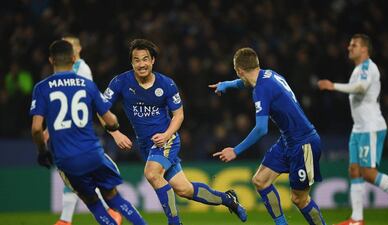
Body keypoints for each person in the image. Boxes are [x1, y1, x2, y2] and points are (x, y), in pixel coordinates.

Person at [101, 38, 247, 225]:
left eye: (145, 59)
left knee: (152, 174)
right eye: (137, 60)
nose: (141, 64)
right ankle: (228, 199)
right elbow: (101, 109)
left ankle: (174, 223)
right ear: (132, 62)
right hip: (146, 145)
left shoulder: (166, 84)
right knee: (184, 190)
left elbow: (179, 115)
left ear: (152, 60)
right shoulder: (120, 82)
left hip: (166, 140)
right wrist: (115, 133)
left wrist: (167, 135)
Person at [30, 40, 147, 225]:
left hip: (67, 159)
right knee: (114, 198)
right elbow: (111, 120)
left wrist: (42, 152)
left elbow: (36, 128)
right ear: (73, 58)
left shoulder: (42, 88)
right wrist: (114, 128)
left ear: (51, 60)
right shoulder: (87, 85)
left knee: (93, 203)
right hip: (92, 153)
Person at [211, 47, 326, 225]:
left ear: (239, 70)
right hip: (288, 140)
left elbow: (261, 129)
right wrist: (227, 84)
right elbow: (244, 82)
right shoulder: (268, 74)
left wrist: (236, 150)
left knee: (299, 199)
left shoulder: (261, 90)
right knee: (260, 180)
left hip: (304, 143)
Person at [318, 33, 388, 225]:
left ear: (364, 49)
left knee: (369, 173)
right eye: (349, 45)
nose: (349, 48)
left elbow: (361, 88)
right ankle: (357, 219)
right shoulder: (357, 70)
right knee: (354, 170)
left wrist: (333, 86)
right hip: (358, 128)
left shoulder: (368, 68)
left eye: (354, 45)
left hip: (371, 127)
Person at [48, 35, 122, 225]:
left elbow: (92, 99)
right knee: (74, 174)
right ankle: (67, 220)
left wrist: (112, 129)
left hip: (79, 131)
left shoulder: (82, 69)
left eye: (71, 45)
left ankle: (109, 211)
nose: (67, 49)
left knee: (86, 172)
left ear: (78, 49)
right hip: (68, 131)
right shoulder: (63, 72)